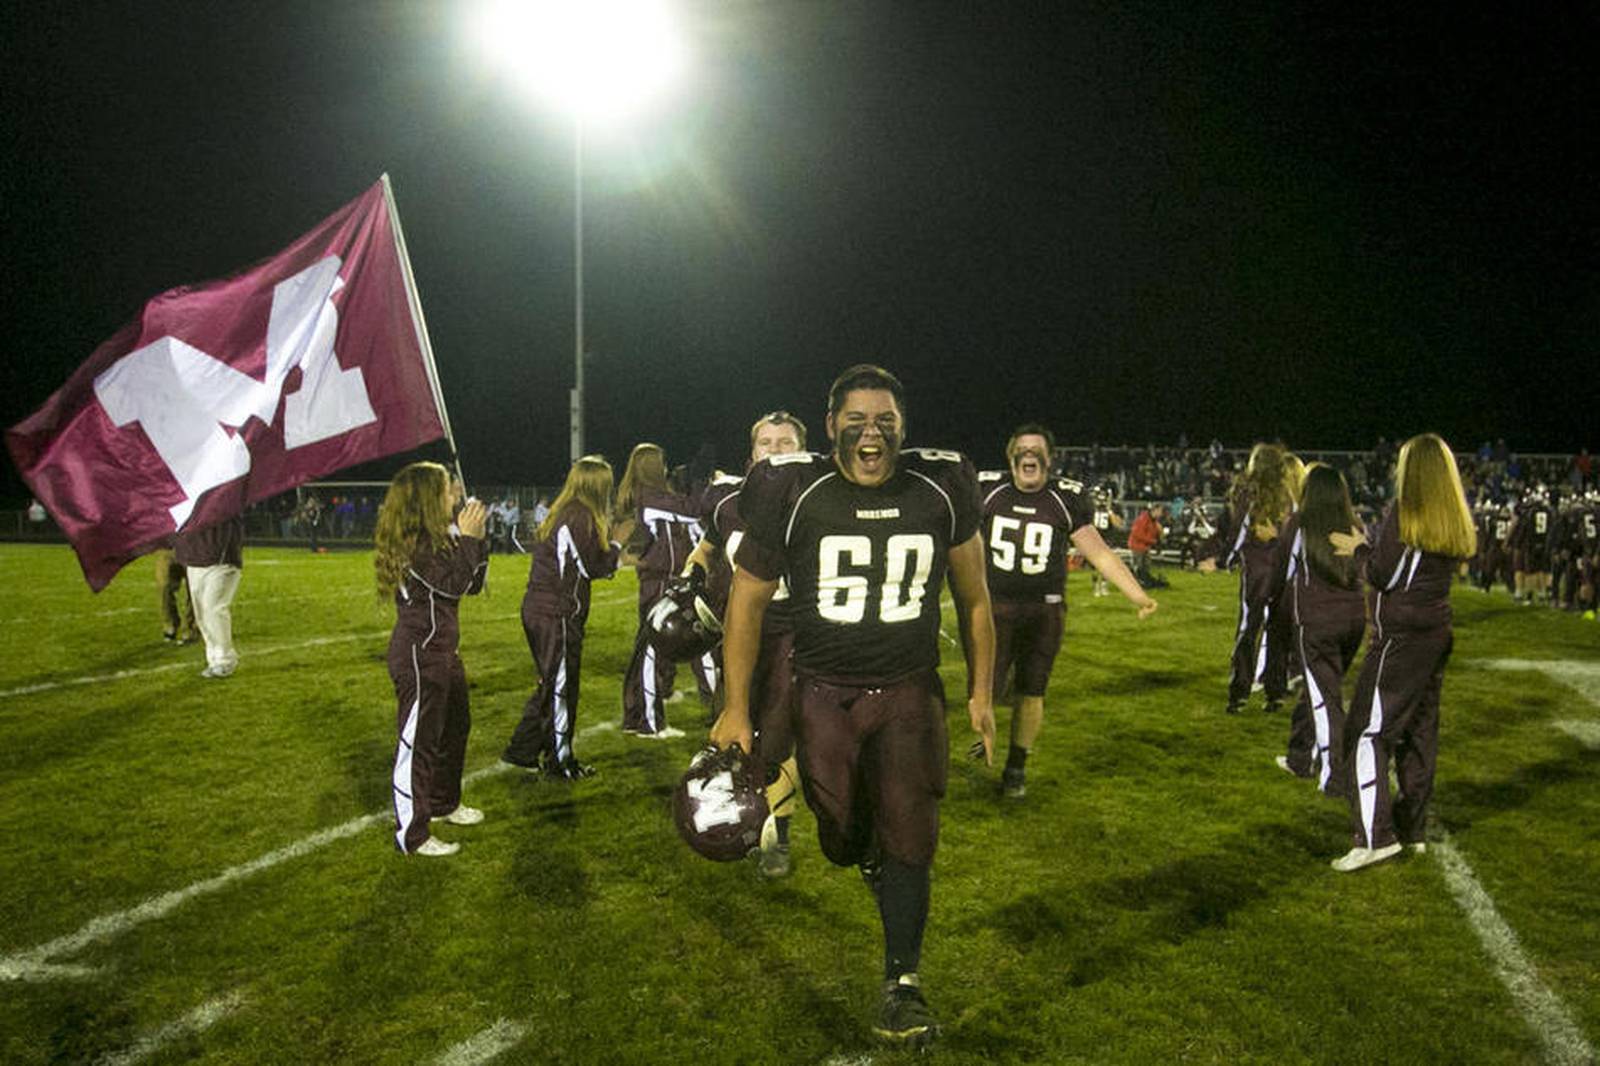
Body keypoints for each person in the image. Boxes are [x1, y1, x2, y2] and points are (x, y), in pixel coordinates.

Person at [710, 364, 995, 1050]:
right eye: (858, 421)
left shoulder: (941, 484)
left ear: (904, 427)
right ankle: (862, 848)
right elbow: (747, 598)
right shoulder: (791, 486)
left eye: (886, 421)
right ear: (832, 425)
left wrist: (982, 690)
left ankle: (903, 983)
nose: (873, 433)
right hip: (822, 690)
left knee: (911, 834)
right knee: (840, 836)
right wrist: (734, 707)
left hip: (907, 691)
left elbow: (976, 597)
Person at [979, 424, 1157, 799]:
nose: (1029, 454)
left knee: (1032, 690)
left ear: (1049, 458)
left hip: (1045, 610)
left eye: (1036, 449)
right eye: (1022, 448)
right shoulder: (988, 491)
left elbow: (1100, 553)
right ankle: (987, 742)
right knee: (985, 690)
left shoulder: (1064, 497)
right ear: (1011, 457)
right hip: (995, 607)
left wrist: (1137, 595)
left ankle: (1016, 765)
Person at [1328, 433, 1475, 872]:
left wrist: (1359, 549)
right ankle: (1413, 828)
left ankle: (1375, 836)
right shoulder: (1452, 516)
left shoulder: (1405, 514)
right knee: (1420, 729)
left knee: (1367, 732)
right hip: (1435, 631)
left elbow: (1382, 574)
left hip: (1402, 636)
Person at [681, 411, 808, 877]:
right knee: (732, 731)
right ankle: (742, 819)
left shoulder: (816, 498)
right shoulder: (724, 498)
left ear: (802, 449)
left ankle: (780, 836)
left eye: (785, 442)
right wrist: (690, 572)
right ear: (751, 453)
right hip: (740, 628)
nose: (774, 451)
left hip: (795, 629)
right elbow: (708, 547)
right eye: (766, 443)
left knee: (775, 741)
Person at [375, 462, 489, 857]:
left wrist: (477, 539)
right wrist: (469, 541)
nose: (454, 491)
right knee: (420, 743)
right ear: (426, 498)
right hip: (419, 654)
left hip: (443, 652)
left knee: (456, 728)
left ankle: (443, 804)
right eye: (445, 488)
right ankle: (413, 833)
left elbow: (471, 585)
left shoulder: (440, 538)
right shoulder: (416, 545)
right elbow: (452, 583)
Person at [502, 456, 621, 778]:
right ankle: (560, 761)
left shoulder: (565, 511)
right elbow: (592, 566)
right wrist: (618, 546)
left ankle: (522, 750)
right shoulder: (579, 515)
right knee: (562, 690)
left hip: (542, 608)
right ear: (598, 485)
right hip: (557, 612)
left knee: (551, 683)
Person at [1269, 464, 1365, 796]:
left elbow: (1281, 573)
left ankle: (1335, 776)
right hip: (1353, 620)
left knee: (1326, 701)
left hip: (1317, 622)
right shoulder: (1354, 524)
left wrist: (1272, 614)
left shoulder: (1300, 524)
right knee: (1320, 690)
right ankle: (1299, 756)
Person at [617, 443, 712, 736]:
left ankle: (635, 717)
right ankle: (648, 722)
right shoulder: (650, 497)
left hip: (663, 579)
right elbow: (693, 511)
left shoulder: (654, 497)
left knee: (648, 650)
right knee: (652, 652)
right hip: (659, 582)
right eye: (662, 463)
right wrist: (700, 481)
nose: (667, 468)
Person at [1203, 442, 1298, 714]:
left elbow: (1240, 530)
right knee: (1278, 632)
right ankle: (1275, 693)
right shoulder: (1288, 496)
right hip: (1283, 571)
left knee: (1248, 630)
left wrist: (1225, 560)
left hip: (1257, 571)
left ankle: (1239, 693)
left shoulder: (1249, 492)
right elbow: (1293, 533)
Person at [174, 513, 245, 678]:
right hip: (195, 558)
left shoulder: (226, 495)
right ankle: (214, 659)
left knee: (214, 608)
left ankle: (224, 660)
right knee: (202, 614)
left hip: (220, 560)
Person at [1088, 485, 1126, 597]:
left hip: (1107, 539)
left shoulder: (1113, 507)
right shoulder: (1090, 507)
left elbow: (1118, 524)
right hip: (1093, 538)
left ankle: (1104, 585)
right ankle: (1096, 586)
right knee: (1094, 565)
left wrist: (1109, 511)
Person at [153, 547, 196, 644]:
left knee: (194, 589)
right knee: (164, 586)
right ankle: (170, 625)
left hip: (194, 546)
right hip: (168, 547)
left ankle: (190, 628)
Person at [1127, 502, 1169, 589]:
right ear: (1155, 510)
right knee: (1139, 566)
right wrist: (1152, 541)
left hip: (1145, 546)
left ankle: (1144, 581)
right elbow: (1137, 534)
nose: (1161, 514)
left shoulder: (1153, 521)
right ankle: (1135, 582)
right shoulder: (1143, 519)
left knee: (1145, 566)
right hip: (1137, 546)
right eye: (1160, 511)